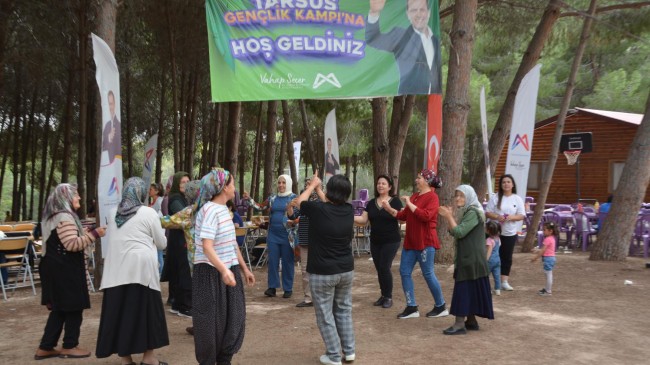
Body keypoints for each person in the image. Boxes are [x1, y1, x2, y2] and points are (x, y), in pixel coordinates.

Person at [95, 177, 169, 365]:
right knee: (146, 314)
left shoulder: (113, 213)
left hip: (115, 271)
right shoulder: (149, 213)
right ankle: (149, 359)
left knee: (120, 313)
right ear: (142, 193)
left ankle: (125, 359)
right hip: (141, 271)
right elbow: (161, 243)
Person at [35, 184, 106, 360]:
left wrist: (86, 233)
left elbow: (66, 240)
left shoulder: (54, 216)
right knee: (74, 307)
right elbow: (72, 245)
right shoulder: (65, 217)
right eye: (75, 195)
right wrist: (95, 234)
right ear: (65, 197)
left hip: (55, 268)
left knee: (59, 309)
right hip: (64, 270)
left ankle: (46, 346)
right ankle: (70, 345)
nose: (79, 198)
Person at [192, 168, 255, 365]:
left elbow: (232, 243)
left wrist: (244, 269)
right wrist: (223, 270)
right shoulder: (210, 210)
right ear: (223, 187)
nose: (235, 188)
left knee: (233, 320)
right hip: (210, 273)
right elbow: (207, 247)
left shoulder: (224, 210)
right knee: (210, 325)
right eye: (233, 183)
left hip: (229, 270)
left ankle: (224, 360)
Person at [296, 173, 355, 365]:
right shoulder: (348, 210)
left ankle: (333, 355)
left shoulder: (318, 210)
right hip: (345, 270)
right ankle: (349, 351)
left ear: (330, 191)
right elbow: (328, 205)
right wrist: (320, 189)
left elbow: (300, 202)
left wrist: (313, 185)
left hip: (323, 272)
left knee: (325, 314)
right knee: (343, 311)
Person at [382, 169, 447, 319]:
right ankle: (411, 307)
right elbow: (402, 216)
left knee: (428, 274)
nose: (416, 180)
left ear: (427, 181)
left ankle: (441, 306)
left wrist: (410, 203)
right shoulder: (415, 196)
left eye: (419, 178)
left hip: (425, 242)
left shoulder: (432, 197)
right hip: (410, 243)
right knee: (404, 272)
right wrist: (388, 208)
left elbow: (426, 216)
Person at [438, 185, 494, 335]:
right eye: (457, 195)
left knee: (463, 289)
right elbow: (455, 231)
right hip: (472, 257)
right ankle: (471, 320)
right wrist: (451, 218)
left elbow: (460, 232)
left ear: (469, 196)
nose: (458, 198)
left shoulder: (473, 212)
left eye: (462, 195)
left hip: (470, 258)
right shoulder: (469, 211)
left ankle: (459, 324)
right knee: (472, 288)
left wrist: (448, 216)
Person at [365, 0, 442, 95]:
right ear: (408, 14)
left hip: (434, 102)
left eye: (422, 10)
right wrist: (374, 12)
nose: (418, 14)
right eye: (414, 10)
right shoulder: (400, 36)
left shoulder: (436, 41)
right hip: (410, 100)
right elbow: (373, 39)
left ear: (429, 13)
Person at [354, 174, 403, 309]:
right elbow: (363, 221)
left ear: (390, 187)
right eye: (378, 183)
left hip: (391, 241)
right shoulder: (371, 203)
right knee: (379, 269)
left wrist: (389, 209)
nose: (380, 185)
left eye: (383, 183)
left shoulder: (395, 201)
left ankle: (388, 297)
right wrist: (347, 215)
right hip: (375, 241)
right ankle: (383, 295)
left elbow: (402, 219)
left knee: (384, 267)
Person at [247, 175, 299, 298]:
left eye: (284, 183)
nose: (281, 185)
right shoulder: (273, 198)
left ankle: (288, 288)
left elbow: (297, 216)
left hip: (287, 236)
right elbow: (260, 207)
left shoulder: (294, 198)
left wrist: (293, 219)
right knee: (273, 261)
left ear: (289, 184)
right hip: (273, 235)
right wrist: (249, 199)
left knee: (287, 261)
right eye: (279, 182)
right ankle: (272, 287)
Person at [485, 174, 526, 291]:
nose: (506, 184)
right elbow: (487, 212)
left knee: (506, 257)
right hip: (495, 233)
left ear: (512, 184)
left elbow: (521, 215)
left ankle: (504, 281)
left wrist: (511, 217)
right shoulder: (495, 197)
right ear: (501, 185)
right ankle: (486, 280)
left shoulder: (517, 199)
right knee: (492, 256)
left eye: (508, 182)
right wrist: (497, 217)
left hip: (510, 233)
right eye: (504, 182)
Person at [161, 171, 192, 317]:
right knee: (183, 272)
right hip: (179, 240)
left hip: (180, 239)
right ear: (176, 184)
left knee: (180, 273)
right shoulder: (175, 199)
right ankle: (184, 306)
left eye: (188, 182)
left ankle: (177, 304)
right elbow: (183, 215)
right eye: (183, 182)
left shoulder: (182, 198)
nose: (186, 184)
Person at [293, 177, 325, 308]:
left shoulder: (321, 200)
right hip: (305, 239)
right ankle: (308, 298)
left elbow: (328, 205)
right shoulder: (301, 200)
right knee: (305, 271)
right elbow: (293, 216)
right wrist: (289, 207)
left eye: (311, 184)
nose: (308, 186)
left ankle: (322, 297)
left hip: (319, 241)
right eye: (307, 184)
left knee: (321, 270)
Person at [531, 222, 558, 296]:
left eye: (544, 230)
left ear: (550, 231)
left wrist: (535, 258)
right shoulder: (552, 238)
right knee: (548, 274)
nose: (543, 231)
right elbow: (545, 249)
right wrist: (536, 250)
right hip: (551, 258)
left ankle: (548, 291)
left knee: (548, 275)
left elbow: (543, 251)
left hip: (548, 259)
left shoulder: (547, 239)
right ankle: (547, 289)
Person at [101, 90, 122, 165]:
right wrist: (108, 137)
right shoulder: (106, 125)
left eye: (111, 104)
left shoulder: (118, 126)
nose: (110, 107)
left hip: (114, 167)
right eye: (108, 104)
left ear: (114, 104)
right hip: (105, 166)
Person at [149, 182, 165, 275]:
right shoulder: (153, 202)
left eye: (151, 189)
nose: (149, 191)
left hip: (159, 231)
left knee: (158, 253)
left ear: (157, 191)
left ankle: (160, 274)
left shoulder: (160, 201)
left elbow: (161, 216)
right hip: (153, 231)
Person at [485, 221, 502, 296]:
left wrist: (485, 260)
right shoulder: (498, 238)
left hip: (490, 261)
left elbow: (489, 251)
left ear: (488, 230)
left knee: (486, 276)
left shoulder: (489, 240)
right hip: (497, 260)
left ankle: (489, 290)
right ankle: (498, 289)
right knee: (497, 275)